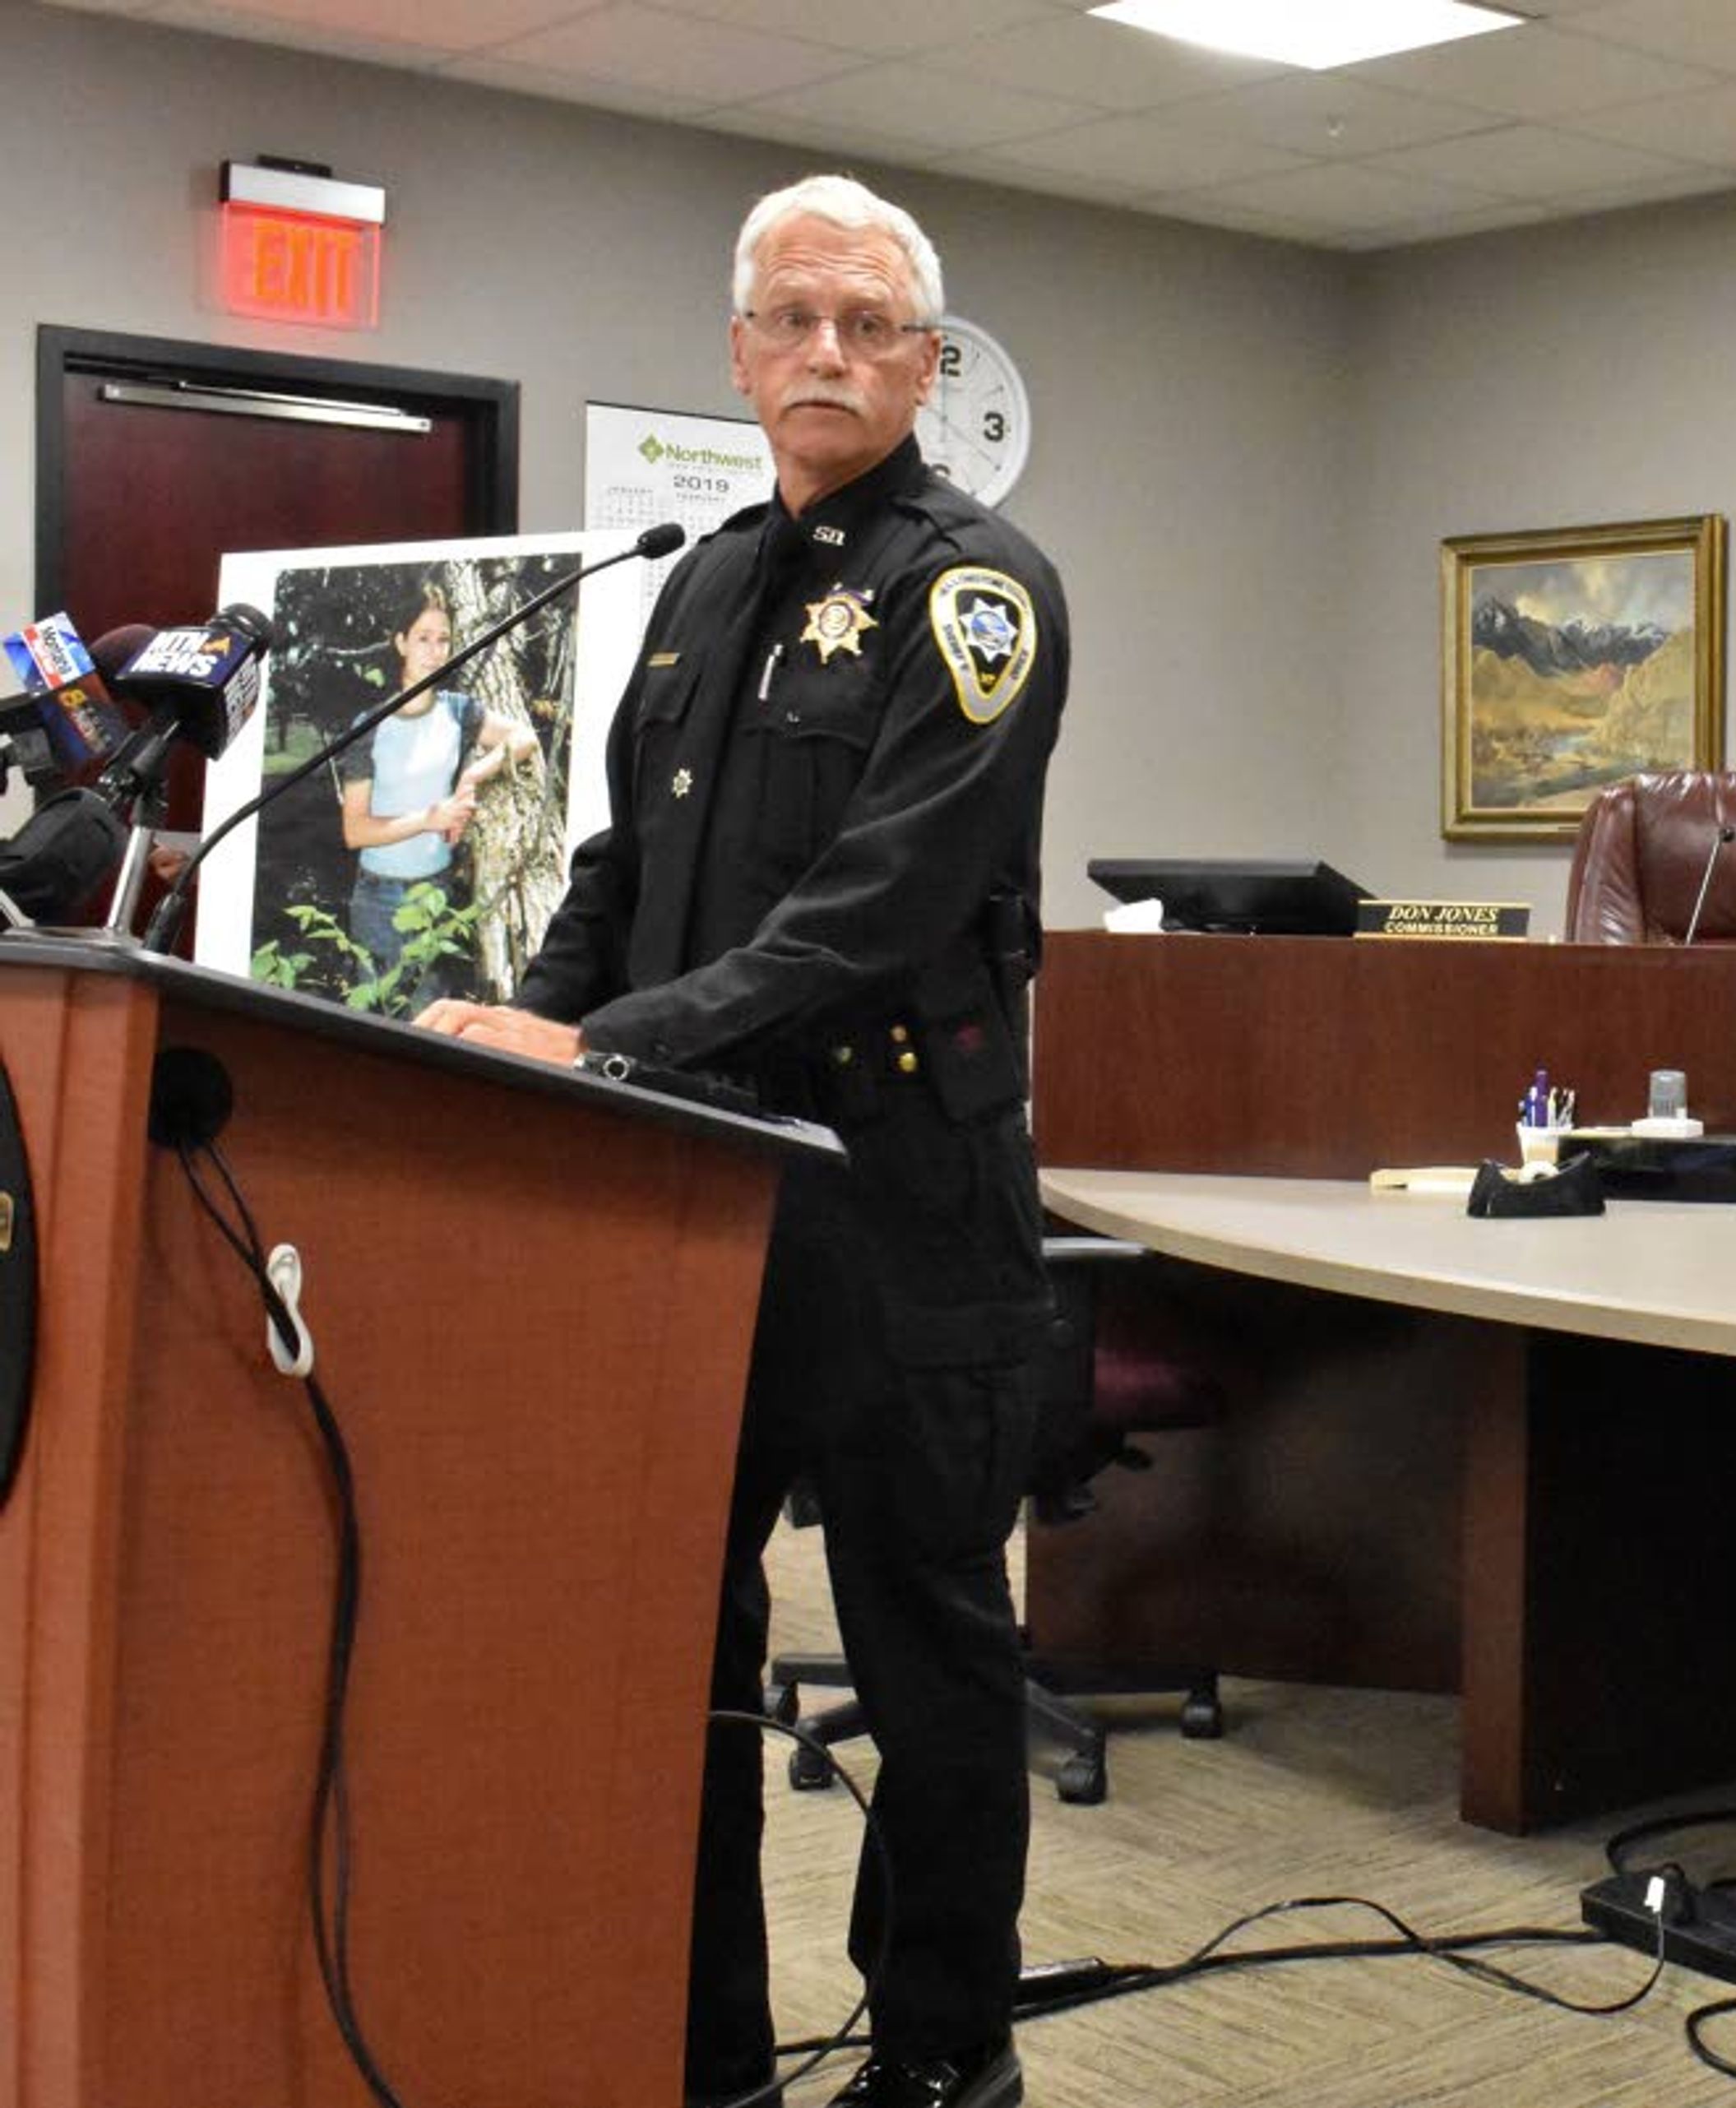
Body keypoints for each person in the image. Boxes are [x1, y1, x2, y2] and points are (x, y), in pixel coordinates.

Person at [421, 173, 1069, 2108]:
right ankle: (703, 2045)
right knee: (667, 1628)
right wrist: (541, 1035)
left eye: (870, 328)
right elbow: (622, 859)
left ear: (926, 366)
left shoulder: (978, 591)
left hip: (897, 1204)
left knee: (922, 1636)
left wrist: (601, 1048)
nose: (826, 355)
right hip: (696, 1195)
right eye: (791, 319)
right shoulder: (702, 582)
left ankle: (945, 2053)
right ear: (737, 351)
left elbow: (873, 907)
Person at [338, 581, 536, 994]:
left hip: (436, 894)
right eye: (423, 638)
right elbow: (355, 831)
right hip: (378, 897)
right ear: (401, 643)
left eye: (443, 639)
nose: (434, 650)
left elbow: (524, 739)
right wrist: (430, 819)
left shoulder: (459, 711)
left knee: (428, 1021)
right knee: (375, 1023)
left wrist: (473, 775)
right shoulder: (369, 726)